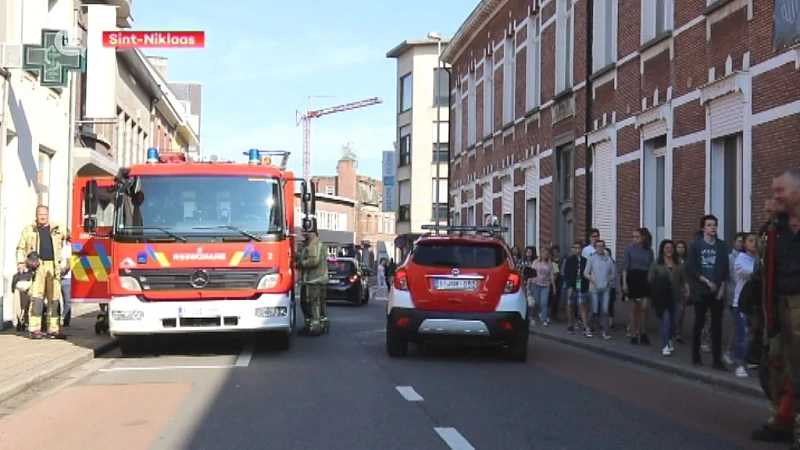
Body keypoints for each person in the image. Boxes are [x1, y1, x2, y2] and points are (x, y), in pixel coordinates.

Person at [750, 168, 800, 448]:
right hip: (777, 306)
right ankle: (782, 421)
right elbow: (764, 270)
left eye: (780, 190)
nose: (775, 196)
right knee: (776, 366)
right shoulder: (773, 230)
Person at [15, 206, 68, 339]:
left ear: (48, 215)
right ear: (36, 215)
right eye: (40, 214)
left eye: (44, 214)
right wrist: (21, 263)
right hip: (37, 267)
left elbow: (74, 237)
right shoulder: (29, 230)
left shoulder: (58, 228)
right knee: (37, 298)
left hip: (53, 266)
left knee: (54, 299)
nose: (42, 217)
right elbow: (20, 248)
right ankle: (34, 329)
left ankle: (53, 329)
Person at [685, 214, 730, 370]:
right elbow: (691, 268)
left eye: (715, 225)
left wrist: (722, 289)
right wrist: (706, 281)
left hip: (717, 291)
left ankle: (717, 360)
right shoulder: (696, 246)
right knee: (699, 322)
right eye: (710, 225)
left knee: (717, 326)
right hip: (701, 291)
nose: (713, 228)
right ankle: (696, 355)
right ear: (703, 228)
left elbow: (725, 269)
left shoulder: (722, 246)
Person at [648, 239, 689, 357]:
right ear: (662, 250)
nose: (669, 250)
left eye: (671, 248)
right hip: (662, 298)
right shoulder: (656, 264)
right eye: (666, 248)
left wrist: (687, 290)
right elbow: (650, 279)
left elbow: (684, 279)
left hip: (676, 297)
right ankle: (665, 345)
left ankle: (669, 338)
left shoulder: (679, 264)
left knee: (675, 321)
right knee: (665, 320)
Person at [621, 227, 655, 345]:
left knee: (644, 307)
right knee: (633, 308)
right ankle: (634, 333)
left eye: (637, 237)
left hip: (645, 278)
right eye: (633, 237)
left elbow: (652, 267)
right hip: (632, 277)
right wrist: (624, 283)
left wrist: (652, 280)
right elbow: (625, 266)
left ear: (643, 238)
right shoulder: (629, 249)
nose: (634, 239)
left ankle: (643, 332)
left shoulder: (649, 251)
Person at [731, 232, 757, 377]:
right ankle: (739, 364)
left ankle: (748, 358)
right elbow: (748, 274)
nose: (754, 243)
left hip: (754, 303)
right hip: (741, 303)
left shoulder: (759, 260)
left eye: (756, 240)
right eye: (751, 240)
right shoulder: (741, 259)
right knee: (744, 334)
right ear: (745, 244)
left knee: (753, 334)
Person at [297, 229, 329, 336]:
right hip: (321, 279)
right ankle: (323, 325)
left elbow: (313, 261)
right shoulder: (320, 244)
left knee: (311, 304)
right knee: (320, 305)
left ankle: (314, 328)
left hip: (313, 280)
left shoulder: (313, 244)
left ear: (312, 232)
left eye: (305, 232)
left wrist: (300, 262)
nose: (303, 234)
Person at [584, 239, 616, 340]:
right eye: (598, 246)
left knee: (605, 310)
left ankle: (605, 331)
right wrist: (591, 278)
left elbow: (613, 274)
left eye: (602, 246)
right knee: (594, 310)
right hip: (594, 288)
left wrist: (608, 279)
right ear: (595, 247)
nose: (600, 248)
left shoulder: (609, 259)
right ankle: (588, 327)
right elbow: (585, 273)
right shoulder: (592, 258)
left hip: (605, 288)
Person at [563, 240, 589, 335]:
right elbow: (566, 274)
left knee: (582, 304)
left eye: (578, 248)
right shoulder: (569, 261)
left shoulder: (585, 261)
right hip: (572, 284)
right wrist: (569, 286)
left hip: (581, 284)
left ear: (581, 249)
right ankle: (570, 324)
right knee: (570, 304)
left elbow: (586, 273)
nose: (576, 250)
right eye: (574, 248)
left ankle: (585, 325)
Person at [61, 236, 72, 327]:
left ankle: (65, 318)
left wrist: (63, 271)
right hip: (55, 278)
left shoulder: (67, 249)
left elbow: (69, 264)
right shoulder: (53, 248)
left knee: (67, 300)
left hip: (66, 278)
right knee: (55, 300)